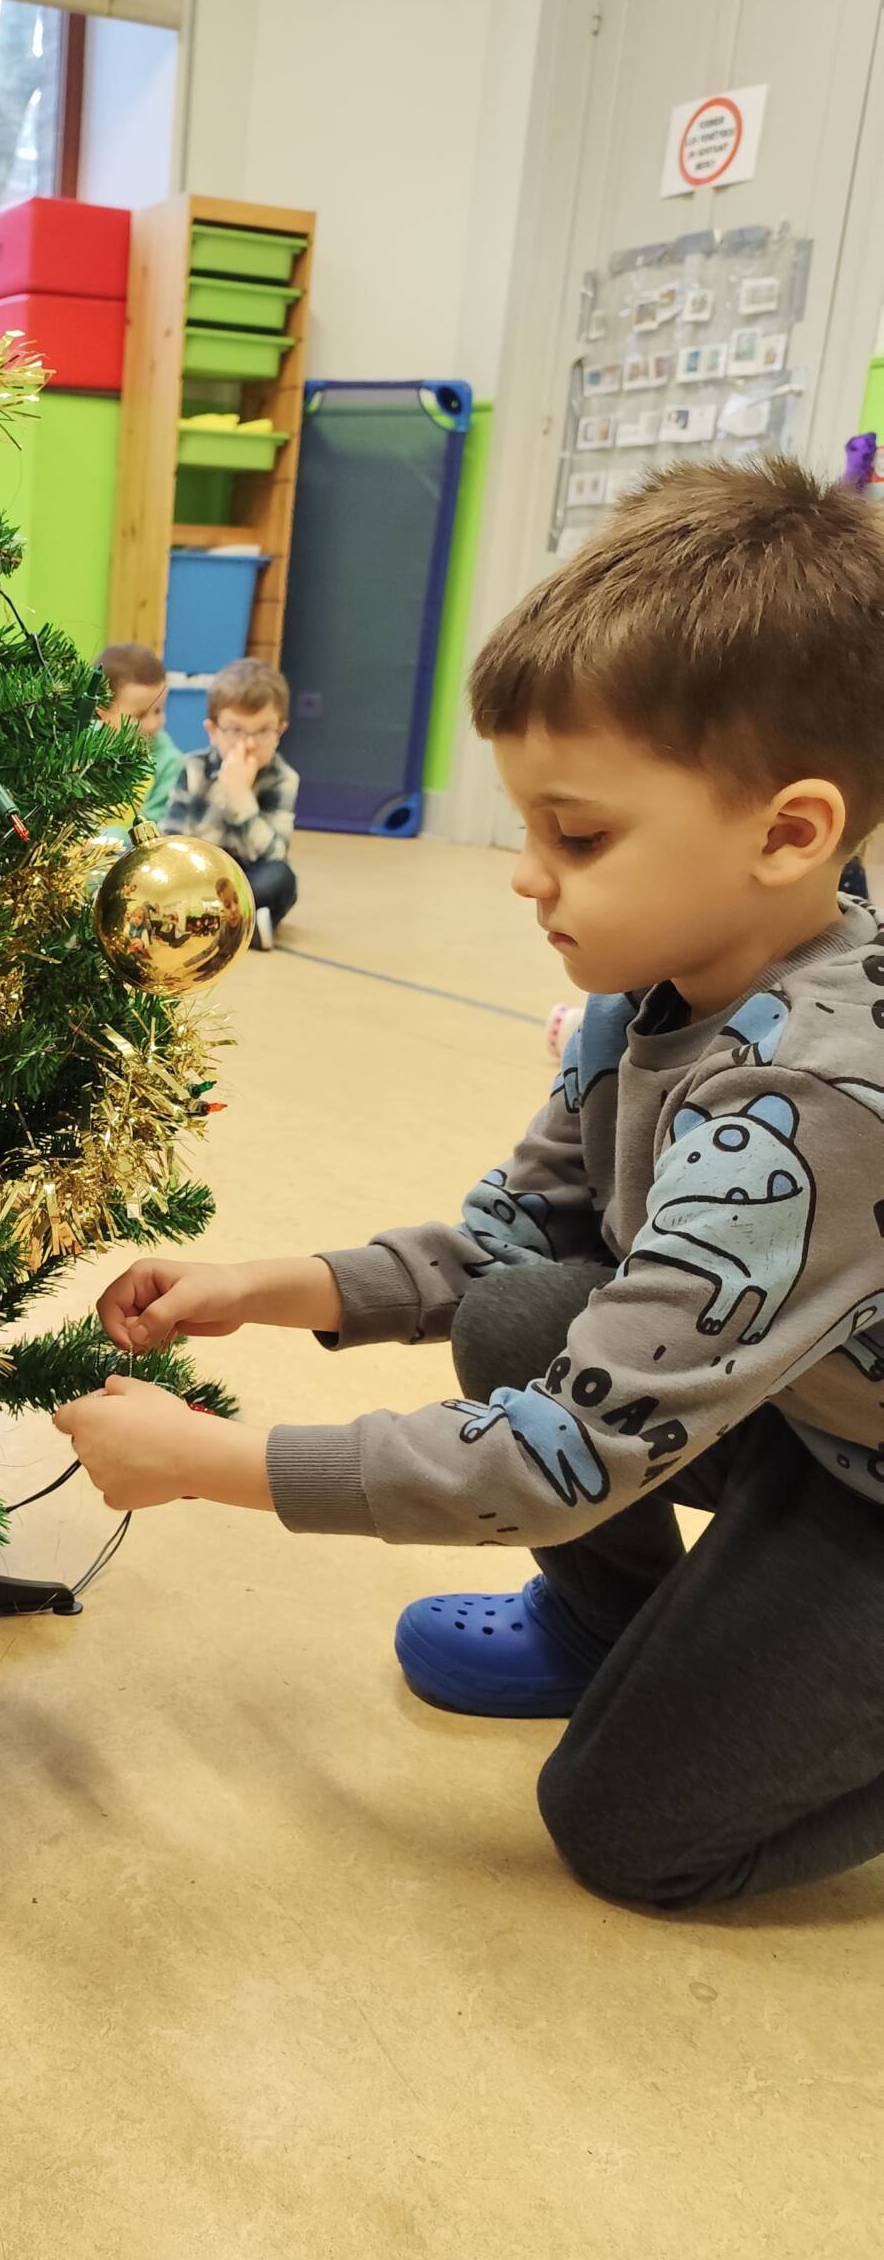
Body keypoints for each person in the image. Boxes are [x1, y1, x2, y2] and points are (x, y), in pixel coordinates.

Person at [57, 456, 884, 1910]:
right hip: (805, 1414)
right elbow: (505, 1247)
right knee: (520, 1310)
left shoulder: (814, 1096)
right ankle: (627, 1635)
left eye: (580, 836)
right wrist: (263, 1288)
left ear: (788, 832)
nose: (526, 877)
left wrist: (208, 1463)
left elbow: (565, 1455)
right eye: (526, 829)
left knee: (626, 1832)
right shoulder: (650, 985)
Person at [159, 658, 300, 949]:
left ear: (280, 730)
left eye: (263, 731)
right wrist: (223, 792)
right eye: (235, 730)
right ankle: (239, 928)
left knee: (282, 879)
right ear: (213, 730)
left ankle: (206, 925)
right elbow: (172, 840)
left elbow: (274, 853)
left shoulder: (283, 778)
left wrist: (240, 798)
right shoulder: (193, 768)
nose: (249, 743)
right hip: (198, 875)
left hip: (248, 879)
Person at [95, 641, 183, 824]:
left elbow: (157, 827)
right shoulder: (78, 749)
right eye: (140, 716)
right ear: (101, 713)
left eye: (158, 710)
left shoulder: (169, 763)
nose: (153, 724)